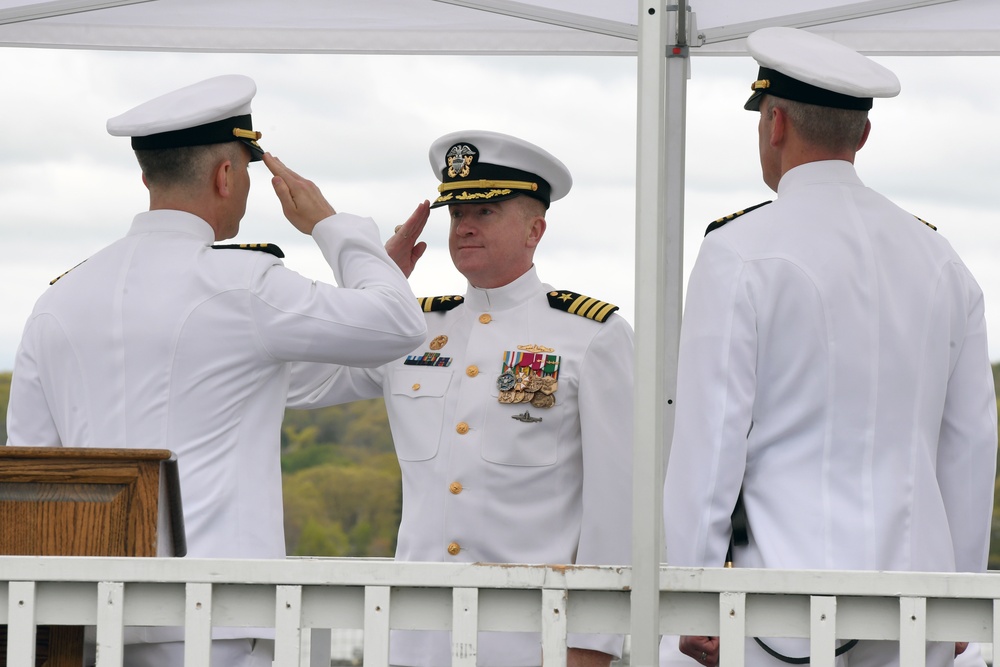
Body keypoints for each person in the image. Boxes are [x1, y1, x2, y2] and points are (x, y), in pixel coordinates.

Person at [5, 74, 427, 666]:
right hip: (217, 621)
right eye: (247, 172)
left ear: (147, 173)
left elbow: (33, 479)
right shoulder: (241, 286)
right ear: (225, 176)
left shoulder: (57, 302)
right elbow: (398, 326)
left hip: (92, 622)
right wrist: (336, 231)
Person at [660, 27, 997, 667]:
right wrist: (963, 591)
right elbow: (971, 444)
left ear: (775, 123)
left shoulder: (739, 250)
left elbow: (710, 438)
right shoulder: (939, 258)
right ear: (861, 136)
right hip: (917, 596)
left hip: (780, 600)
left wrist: (692, 586)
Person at [292, 130, 635, 667]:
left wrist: (592, 645)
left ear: (535, 229)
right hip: (415, 638)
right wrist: (375, 289)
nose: (466, 225)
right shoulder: (414, 327)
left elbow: (618, 505)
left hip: (530, 641)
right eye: (456, 214)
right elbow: (295, 383)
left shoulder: (591, 334)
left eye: (488, 210)